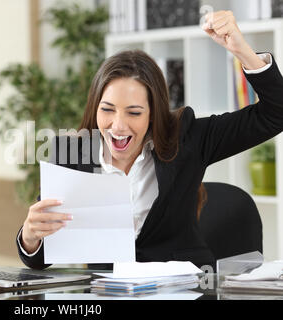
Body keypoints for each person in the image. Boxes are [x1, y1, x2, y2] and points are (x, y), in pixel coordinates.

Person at [16, 11, 283, 270]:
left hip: (184, 290)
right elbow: (41, 257)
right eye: (107, 110)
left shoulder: (186, 138)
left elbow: (275, 113)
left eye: (134, 112)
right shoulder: (71, 155)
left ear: (153, 114)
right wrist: (30, 237)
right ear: (94, 108)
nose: (118, 125)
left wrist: (242, 52)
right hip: (109, 293)